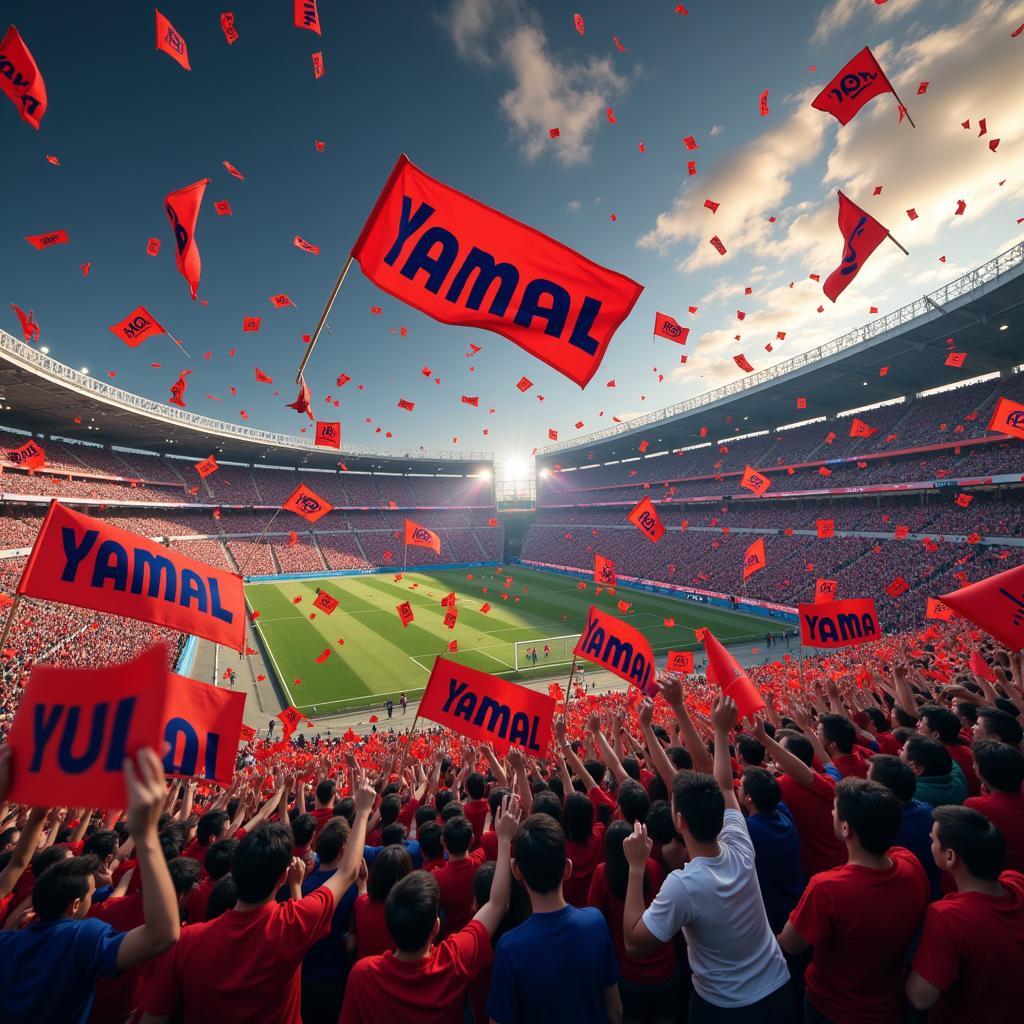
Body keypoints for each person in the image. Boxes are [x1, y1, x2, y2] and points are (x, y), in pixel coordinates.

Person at [139, 768, 375, 1024]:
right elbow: (349, 872)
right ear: (283, 877)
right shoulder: (292, 924)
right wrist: (362, 812)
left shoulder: (183, 942)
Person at [623, 696, 792, 1022]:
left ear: (679, 821)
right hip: (779, 990)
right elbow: (722, 784)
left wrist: (635, 867)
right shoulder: (740, 843)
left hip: (726, 1008)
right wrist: (714, 726)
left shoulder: (684, 885)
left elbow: (634, 942)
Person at [0, 748, 181, 1024]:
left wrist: (36, 818)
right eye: (89, 893)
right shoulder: (81, 939)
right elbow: (162, 935)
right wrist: (145, 835)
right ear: (74, 906)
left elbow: (16, 864)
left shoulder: (7, 942)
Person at [339, 794, 521, 1024]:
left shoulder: (362, 974)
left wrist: (363, 885)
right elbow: (497, 904)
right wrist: (505, 840)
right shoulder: (454, 959)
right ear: (436, 926)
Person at [778, 778, 931, 1024]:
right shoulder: (909, 862)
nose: (831, 811)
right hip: (891, 1004)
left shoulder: (827, 888)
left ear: (846, 828)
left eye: (835, 809)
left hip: (832, 1009)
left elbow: (791, 944)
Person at [487, 813, 623, 1024]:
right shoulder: (595, 923)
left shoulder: (509, 947)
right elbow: (616, 1012)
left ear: (517, 871)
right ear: (567, 868)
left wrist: (504, 841)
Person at [906, 806, 1024, 1021]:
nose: (930, 843)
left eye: (933, 840)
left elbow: (920, 998)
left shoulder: (947, 917)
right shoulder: (1016, 881)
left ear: (950, 856)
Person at [588, 821, 677, 1024]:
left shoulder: (603, 873)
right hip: (666, 973)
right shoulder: (653, 867)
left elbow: (596, 919)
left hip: (628, 977)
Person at [300, 818, 359, 1024]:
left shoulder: (301, 888)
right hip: (336, 976)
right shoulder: (352, 889)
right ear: (344, 850)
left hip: (303, 979)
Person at [737, 766, 805, 933]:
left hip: (774, 918)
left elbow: (725, 789)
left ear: (749, 798)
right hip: (796, 902)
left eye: (741, 786)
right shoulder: (783, 812)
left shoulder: (749, 829)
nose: (738, 787)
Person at [868, 753, 941, 898]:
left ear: (881, 790)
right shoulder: (928, 809)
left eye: (868, 778)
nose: (865, 782)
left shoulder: (881, 827)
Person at [964, 740, 1024, 872]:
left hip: (1006, 874)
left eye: (975, 763)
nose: (973, 766)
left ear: (980, 771)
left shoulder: (976, 805)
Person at [351, 845, 413, 959]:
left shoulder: (361, 904)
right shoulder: (411, 914)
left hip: (364, 971)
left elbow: (362, 896)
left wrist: (363, 882)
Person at [901, 736, 968, 808]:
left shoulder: (910, 793)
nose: (898, 752)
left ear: (916, 768)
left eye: (902, 750)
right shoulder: (957, 778)